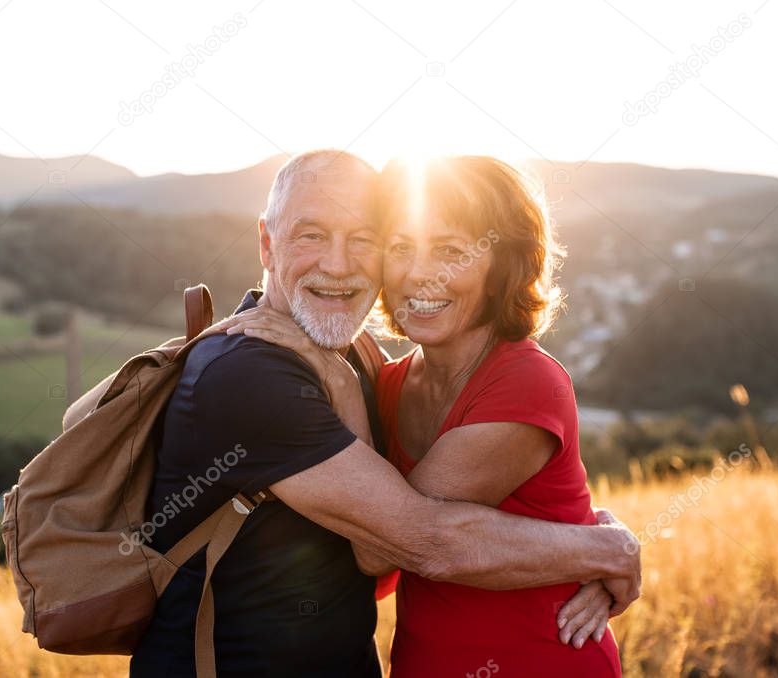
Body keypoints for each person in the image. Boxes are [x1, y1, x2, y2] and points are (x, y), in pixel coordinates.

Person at [129, 150, 639, 678]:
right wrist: (602, 550)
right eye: (400, 247)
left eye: (451, 251)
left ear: (499, 267)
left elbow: (406, 548)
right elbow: (396, 551)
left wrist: (602, 545)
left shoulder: (388, 370)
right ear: (266, 243)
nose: (420, 275)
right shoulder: (285, 376)